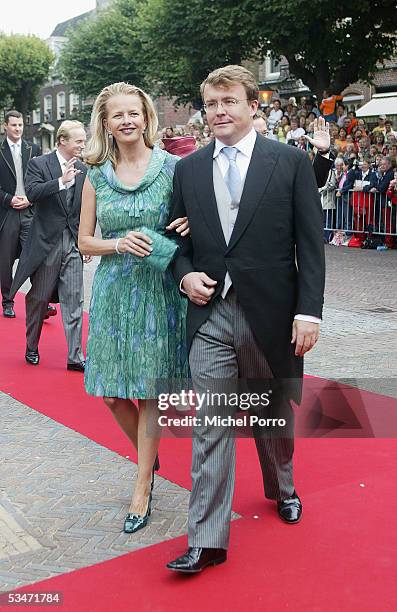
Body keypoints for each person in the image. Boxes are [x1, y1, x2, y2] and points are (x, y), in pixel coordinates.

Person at [166, 65, 325, 574]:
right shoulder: (188, 170)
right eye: (211, 104)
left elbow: (311, 244)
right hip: (210, 313)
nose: (219, 112)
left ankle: (283, 486)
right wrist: (185, 275)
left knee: (271, 416)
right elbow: (177, 242)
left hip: (272, 314)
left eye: (229, 101)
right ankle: (207, 539)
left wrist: (308, 312)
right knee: (211, 424)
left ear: (253, 105)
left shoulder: (291, 162)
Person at [78, 82, 189, 534]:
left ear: (146, 117)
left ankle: (141, 487)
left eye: (134, 113)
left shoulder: (174, 169)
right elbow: (84, 241)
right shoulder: (95, 175)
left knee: (148, 393)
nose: (127, 121)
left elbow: (194, 222)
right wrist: (118, 242)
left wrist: (186, 225)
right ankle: (150, 453)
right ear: (105, 124)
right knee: (108, 391)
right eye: (117, 115)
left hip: (159, 289)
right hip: (112, 290)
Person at [11, 121, 88, 369]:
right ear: (62, 140)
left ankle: (75, 357)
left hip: (73, 242)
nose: (83, 145)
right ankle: (31, 346)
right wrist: (60, 182)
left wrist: (85, 241)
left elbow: (84, 209)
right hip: (46, 244)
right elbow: (32, 193)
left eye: (84, 140)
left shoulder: (84, 169)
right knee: (39, 298)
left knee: (75, 301)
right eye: (79, 141)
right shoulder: (39, 164)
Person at [0, 110, 41, 318]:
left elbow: (40, 180)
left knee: (33, 256)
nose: (17, 129)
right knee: (5, 260)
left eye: (20, 125)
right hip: (7, 214)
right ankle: (7, 301)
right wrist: (8, 199)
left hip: (29, 211)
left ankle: (40, 300)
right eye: (13, 125)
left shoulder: (33, 149)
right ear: (5, 126)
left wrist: (30, 198)